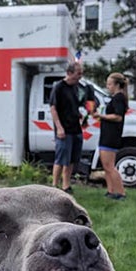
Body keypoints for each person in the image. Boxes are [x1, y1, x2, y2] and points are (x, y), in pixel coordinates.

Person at [92, 72, 128, 200]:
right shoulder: (114, 98)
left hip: (111, 136)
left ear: (117, 85)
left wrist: (101, 116)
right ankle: (111, 191)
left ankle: (121, 192)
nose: (108, 86)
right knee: (106, 165)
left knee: (110, 166)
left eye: (110, 84)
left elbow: (118, 117)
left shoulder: (119, 98)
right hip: (106, 134)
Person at [49, 62, 84, 194]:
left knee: (71, 160)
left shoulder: (75, 87)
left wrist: (78, 114)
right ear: (69, 73)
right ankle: (54, 186)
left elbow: (73, 106)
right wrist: (59, 127)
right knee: (61, 158)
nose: (80, 76)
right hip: (64, 130)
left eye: (81, 73)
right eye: (78, 73)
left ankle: (66, 186)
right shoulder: (58, 87)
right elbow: (53, 108)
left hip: (76, 128)